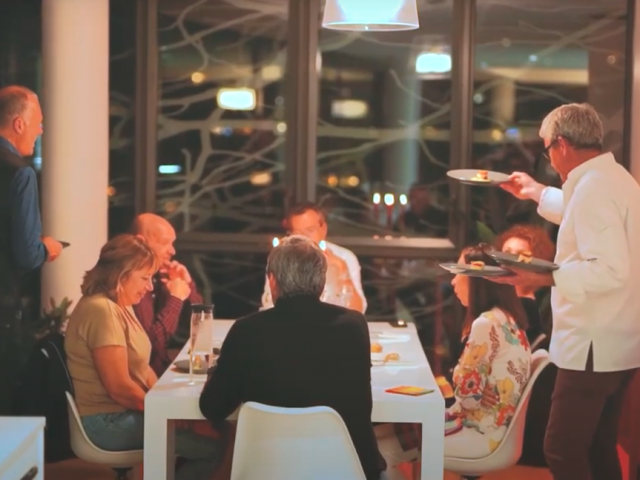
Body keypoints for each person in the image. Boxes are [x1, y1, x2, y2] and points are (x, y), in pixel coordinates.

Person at [497, 102, 640, 480]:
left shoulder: (594, 188)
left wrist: (545, 278)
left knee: (561, 450)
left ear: (561, 144)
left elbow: (609, 270)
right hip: (618, 340)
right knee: (597, 448)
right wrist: (534, 191)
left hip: (594, 344)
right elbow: (580, 213)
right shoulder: (613, 178)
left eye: (546, 148)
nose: (548, 158)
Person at [200, 235, 385, 480]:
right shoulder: (352, 325)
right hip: (345, 470)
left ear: (273, 281)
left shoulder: (247, 330)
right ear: (321, 282)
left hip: (266, 471)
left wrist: (219, 370)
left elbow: (212, 408)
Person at [64, 235, 218, 480]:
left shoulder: (121, 303)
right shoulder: (101, 310)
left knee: (203, 438)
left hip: (121, 412)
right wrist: (163, 411)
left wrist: (165, 404)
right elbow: (120, 388)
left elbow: (143, 366)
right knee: (212, 450)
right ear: (120, 274)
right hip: (105, 420)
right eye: (144, 278)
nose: (149, 287)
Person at [376, 246, 531, 479]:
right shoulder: (506, 318)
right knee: (380, 435)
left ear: (479, 280)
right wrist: (473, 387)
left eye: (459, 273)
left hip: (478, 431)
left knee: (380, 450)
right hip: (483, 425)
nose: (453, 281)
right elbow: (471, 392)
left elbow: (467, 399)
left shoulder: (486, 324)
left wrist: (469, 387)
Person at [0, 85, 62, 414]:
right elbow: (25, 255)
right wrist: (46, 248)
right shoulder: (20, 174)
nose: (41, 129)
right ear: (19, 124)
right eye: (38, 122)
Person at [261, 202, 366, 313]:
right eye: (297, 232)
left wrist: (342, 270)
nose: (305, 238)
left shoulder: (344, 257)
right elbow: (268, 305)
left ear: (323, 229)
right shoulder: (280, 260)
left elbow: (358, 311)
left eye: (310, 230)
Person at [131, 213, 203, 375]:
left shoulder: (159, 277)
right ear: (141, 242)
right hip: (149, 380)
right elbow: (151, 348)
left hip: (162, 370)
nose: (172, 251)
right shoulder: (133, 284)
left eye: (172, 243)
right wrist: (176, 299)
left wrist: (187, 285)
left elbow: (200, 324)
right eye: (164, 243)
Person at [494, 224, 555, 346]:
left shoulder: (532, 305)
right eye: (507, 253)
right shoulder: (502, 297)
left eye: (521, 255)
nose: (511, 260)